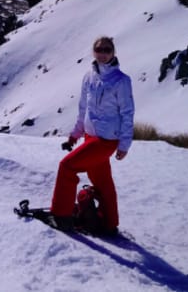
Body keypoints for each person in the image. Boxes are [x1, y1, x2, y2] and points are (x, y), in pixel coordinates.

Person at [49, 36, 135, 235]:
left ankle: (62, 217)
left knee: (67, 167)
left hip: (106, 140)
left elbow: (127, 113)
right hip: (90, 136)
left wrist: (124, 145)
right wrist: (74, 135)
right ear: (93, 52)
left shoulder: (121, 81)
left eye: (107, 49)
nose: (103, 53)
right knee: (102, 181)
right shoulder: (89, 77)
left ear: (113, 53)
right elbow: (83, 109)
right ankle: (110, 224)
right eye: (99, 49)